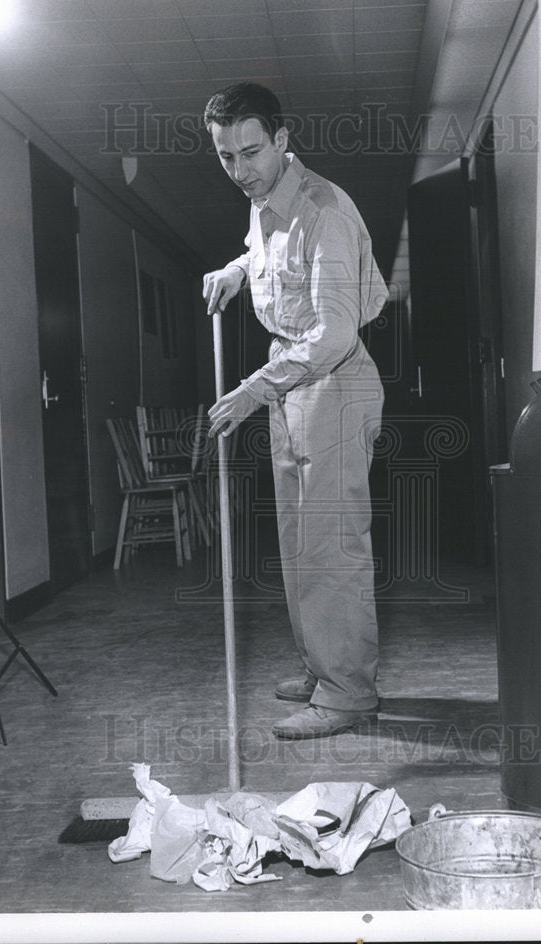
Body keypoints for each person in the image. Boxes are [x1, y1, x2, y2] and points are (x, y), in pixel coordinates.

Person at [202, 82, 388, 740]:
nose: (240, 171)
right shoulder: (266, 203)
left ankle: (348, 695)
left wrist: (255, 388)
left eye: (251, 153)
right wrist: (237, 267)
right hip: (294, 383)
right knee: (296, 544)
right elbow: (270, 255)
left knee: (330, 548)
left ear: (282, 141)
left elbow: (334, 333)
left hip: (332, 381)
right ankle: (323, 667)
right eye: (226, 157)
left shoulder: (326, 212)